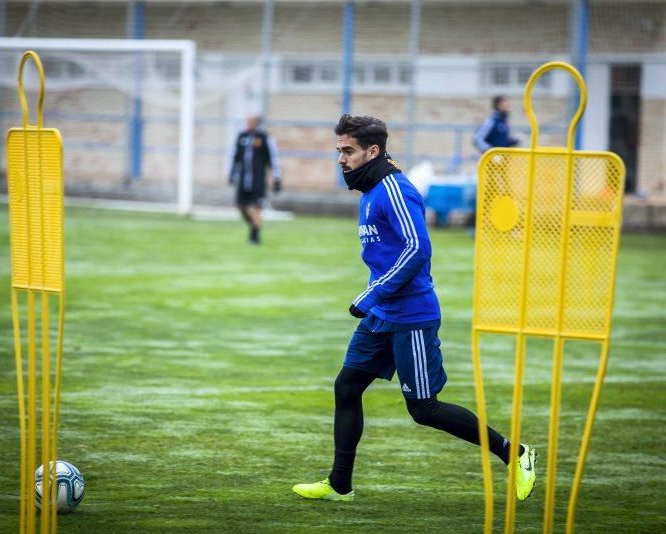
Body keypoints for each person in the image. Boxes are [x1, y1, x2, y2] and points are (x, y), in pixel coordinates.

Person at [292, 114, 536, 503]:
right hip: (382, 314)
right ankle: (340, 484)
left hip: (412, 316)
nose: (340, 159)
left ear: (373, 151)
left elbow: (417, 250)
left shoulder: (394, 189)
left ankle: (514, 452)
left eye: (347, 151)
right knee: (347, 385)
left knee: (423, 409)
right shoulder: (370, 190)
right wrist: (376, 299)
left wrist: (370, 295)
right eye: (338, 150)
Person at [228, 115, 282, 245]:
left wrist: (276, 178)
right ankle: (254, 226)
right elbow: (234, 157)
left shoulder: (264, 138)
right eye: (248, 121)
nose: (249, 124)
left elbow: (273, 159)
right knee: (241, 207)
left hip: (258, 180)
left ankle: (254, 236)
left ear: (257, 123)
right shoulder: (241, 137)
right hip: (243, 180)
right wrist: (231, 173)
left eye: (252, 122)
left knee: (256, 208)